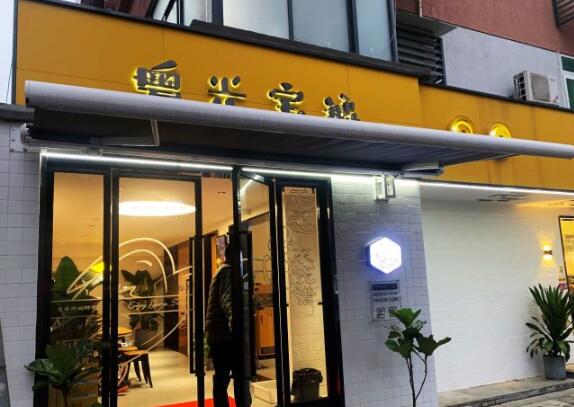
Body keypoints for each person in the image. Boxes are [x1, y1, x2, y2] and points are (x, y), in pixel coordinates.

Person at [205, 244, 251, 407]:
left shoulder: (221, 271)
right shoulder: (227, 271)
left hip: (216, 333)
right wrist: (237, 328)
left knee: (221, 376)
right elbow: (227, 301)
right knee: (236, 374)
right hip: (223, 334)